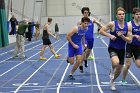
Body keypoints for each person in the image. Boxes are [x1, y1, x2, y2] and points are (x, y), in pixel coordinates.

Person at [99, 7, 132, 90]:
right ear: (116, 16)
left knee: (119, 70)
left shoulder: (128, 25)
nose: (122, 16)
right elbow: (101, 31)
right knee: (115, 62)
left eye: (123, 14)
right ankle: (112, 68)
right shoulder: (112, 24)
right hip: (113, 48)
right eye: (120, 14)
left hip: (122, 49)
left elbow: (130, 40)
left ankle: (112, 81)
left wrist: (122, 36)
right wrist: (110, 35)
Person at [78, 7, 103, 72]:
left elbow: (100, 24)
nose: (86, 14)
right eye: (84, 13)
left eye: (87, 12)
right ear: (82, 13)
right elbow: (77, 30)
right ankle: (81, 65)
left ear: (89, 13)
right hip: (84, 38)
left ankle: (85, 59)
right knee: (84, 50)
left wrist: (100, 28)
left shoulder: (92, 19)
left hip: (91, 39)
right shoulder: (80, 21)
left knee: (88, 52)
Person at [121, 8, 140, 85]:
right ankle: (123, 80)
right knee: (128, 64)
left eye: (139, 14)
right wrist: (135, 35)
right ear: (133, 15)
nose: (138, 15)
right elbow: (128, 36)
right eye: (137, 14)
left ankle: (135, 58)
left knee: (139, 65)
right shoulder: (129, 24)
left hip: (138, 47)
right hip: (130, 46)